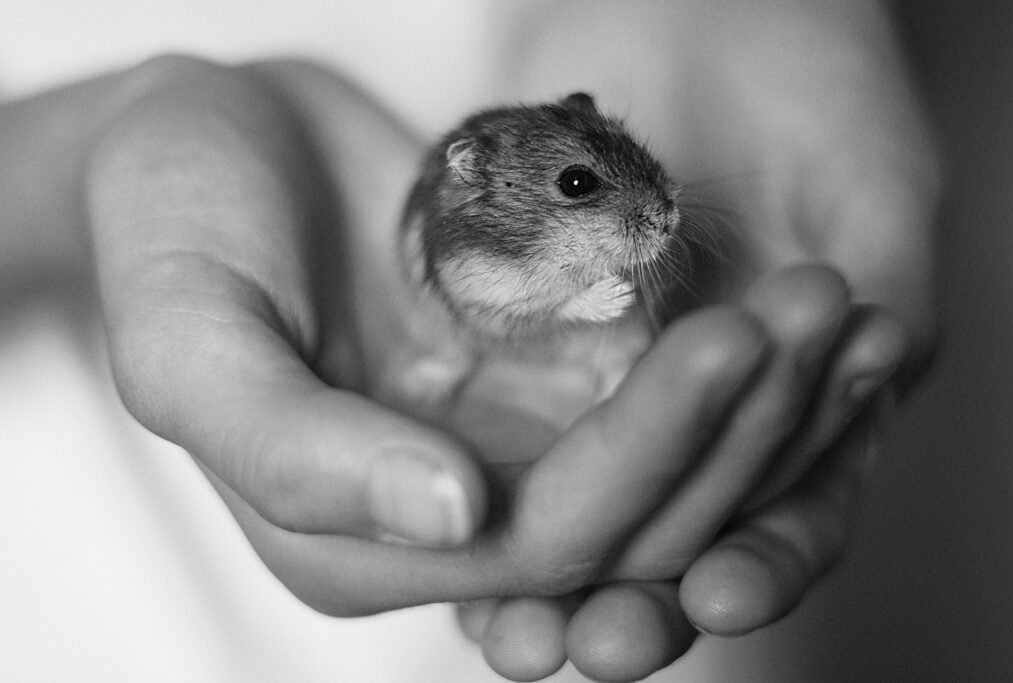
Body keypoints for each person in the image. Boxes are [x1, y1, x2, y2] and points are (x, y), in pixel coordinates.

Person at [0, 1, 938, 681]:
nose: (656, 211)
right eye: (579, 191)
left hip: (684, 578)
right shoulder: (476, 252)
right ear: (478, 187)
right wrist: (88, 154)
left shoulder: (580, 171)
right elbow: (495, 305)